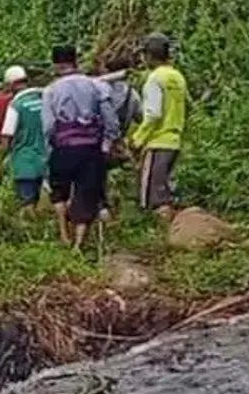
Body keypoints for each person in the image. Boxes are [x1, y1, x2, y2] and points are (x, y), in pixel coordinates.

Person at [41, 45, 120, 247]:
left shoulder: (51, 90)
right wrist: (107, 144)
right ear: (76, 62)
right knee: (87, 193)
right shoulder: (96, 86)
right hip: (91, 149)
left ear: (56, 65)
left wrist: (50, 148)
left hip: (63, 147)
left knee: (59, 191)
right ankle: (78, 243)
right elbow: (110, 121)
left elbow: (49, 126)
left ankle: (63, 233)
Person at [129, 34, 188, 220]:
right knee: (165, 190)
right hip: (174, 140)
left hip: (157, 142)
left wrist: (137, 139)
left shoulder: (155, 79)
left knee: (154, 197)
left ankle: (160, 234)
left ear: (149, 56)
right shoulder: (177, 77)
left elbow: (153, 114)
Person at [95, 57, 143, 220]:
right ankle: (127, 211)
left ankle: (102, 211)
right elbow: (141, 118)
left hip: (99, 143)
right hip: (119, 144)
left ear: (107, 71)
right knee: (125, 176)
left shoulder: (100, 90)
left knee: (97, 179)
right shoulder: (132, 94)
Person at [0, 65, 47, 208]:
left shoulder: (16, 106)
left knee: (28, 203)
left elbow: (6, 136)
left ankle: (32, 229)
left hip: (25, 163)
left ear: (11, 85)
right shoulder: (43, 100)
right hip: (46, 159)